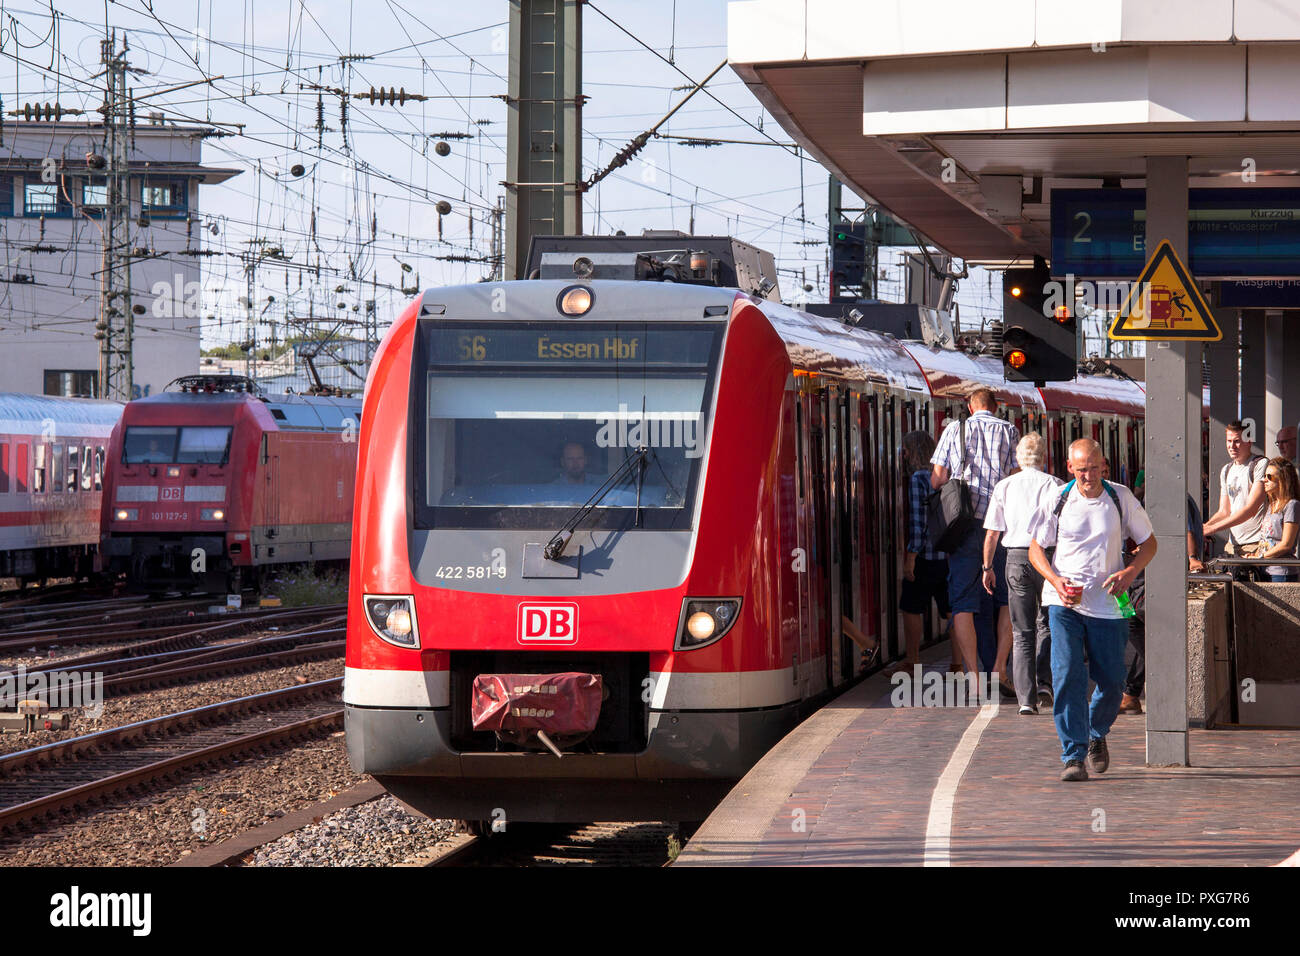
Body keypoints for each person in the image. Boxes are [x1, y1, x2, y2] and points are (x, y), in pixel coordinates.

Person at [1028, 438, 1157, 782]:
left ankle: (1096, 732)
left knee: (1114, 681)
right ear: (1070, 467)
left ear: (1104, 465)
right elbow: (1036, 551)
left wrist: (1129, 573)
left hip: (1110, 604)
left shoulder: (1120, 497)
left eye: (1093, 467)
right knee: (1068, 672)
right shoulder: (1057, 499)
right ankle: (1073, 755)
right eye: (1081, 469)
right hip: (1064, 603)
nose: (1088, 475)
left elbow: (1149, 544)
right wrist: (1055, 581)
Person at [931, 387, 1019, 679]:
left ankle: (974, 676)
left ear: (970, 407)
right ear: (995, 407)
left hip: (964, 527)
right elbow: (1017, 478)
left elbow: (938, 478)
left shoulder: (955, 429)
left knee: (962, 603)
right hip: (1001, 527)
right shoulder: (1009, 431)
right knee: (1006, 599)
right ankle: (1000, 669)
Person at [982, 433, 1061, 715]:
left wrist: (987, 567)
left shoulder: (1004, 486)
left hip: (1015, 558)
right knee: (1048, 622)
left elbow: (992, 533)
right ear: (1043, 457)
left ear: (1018, 457)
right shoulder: (1056, 485)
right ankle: (1044, 684)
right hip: (1048, 558)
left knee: (1021, 630)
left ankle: (1025, 699)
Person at [1119, 494, 1204, 715]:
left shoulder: (1167, 497)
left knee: (1143, 631)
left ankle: (1136, 693)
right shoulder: (1149, 499)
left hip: (1144, 581)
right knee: (1145, 635)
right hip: (1133, 582)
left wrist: (1192, 557)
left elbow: (1185, 531)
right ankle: (1131, 693)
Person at [892, 430, 951, 676]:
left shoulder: (918, 478)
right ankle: (958, 663)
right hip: (947, 554)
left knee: (911, 606)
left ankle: (912, 661)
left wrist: (911, 556)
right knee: (952, 611)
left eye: (905, 450)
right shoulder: (946, 475)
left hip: (926, 556)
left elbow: (919, 522)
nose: (902, 455)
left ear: (913, 451)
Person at [1203, 421, 1269, 576]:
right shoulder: (1226, 470)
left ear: (1249, 441)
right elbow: (1224, 511)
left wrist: (1213, 529)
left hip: (1255, 544)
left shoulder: (1260, 464)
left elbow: (1251, 509)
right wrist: (1204, 528)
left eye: (1237, 441)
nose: (1231, 446)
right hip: (1232, 546)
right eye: (1229, 441)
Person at [1259, 457, 1300, 582]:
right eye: (1264, 475)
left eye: (1269, 476)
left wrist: (1260, 557)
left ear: (1283, 480)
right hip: (1265, 569)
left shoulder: (1292, 505)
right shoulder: (1272, 505)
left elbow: (1286, 544)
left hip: (1281, 572)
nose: (1264, 480)